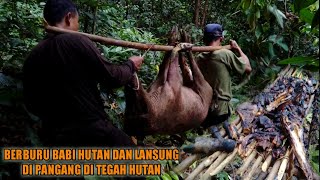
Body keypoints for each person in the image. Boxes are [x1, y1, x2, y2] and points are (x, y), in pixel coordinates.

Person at [23, 0, 144, 147]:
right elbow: (113, 78)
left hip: (54, 136)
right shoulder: (75, 40)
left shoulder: (33, 55)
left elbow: (31, 103)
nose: (78, 26)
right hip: (91, 129)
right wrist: (131, 65)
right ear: (69, 17)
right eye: (77, 21)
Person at [197, 23, 252, 139]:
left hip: (204, 108)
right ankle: (220, 129)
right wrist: (238, 49)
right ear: (221, 38)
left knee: (213, 124)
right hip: (221, 110)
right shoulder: (225, 54)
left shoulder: (199, 57)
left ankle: (214, 128)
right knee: (224, 120)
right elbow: (248, 68)